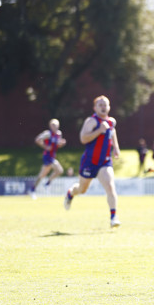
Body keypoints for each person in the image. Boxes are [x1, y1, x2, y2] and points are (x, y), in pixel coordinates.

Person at [64, 95, 121, 228]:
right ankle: (70, 193)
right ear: (95, 108)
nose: (103, 107)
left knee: (110, 187)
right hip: (89, 162)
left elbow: (113, 132)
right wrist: (99, 130)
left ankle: (114, 217)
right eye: (100, 105)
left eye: (105, 104)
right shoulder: (91, 121)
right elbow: (83, 139)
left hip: (104, 162)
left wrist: (116, 148)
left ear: (109, 107)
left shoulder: (111, 121)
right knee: (82, 189)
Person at [29, 118, 66, 199]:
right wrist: (45, 146)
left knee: (43, 174)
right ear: (50, 126)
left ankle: (37, 187)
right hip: (47, 156)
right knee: (58, 170)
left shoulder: (59, 134)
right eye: (53, 125)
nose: (55, 127)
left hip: (52, 156)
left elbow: (57, 145)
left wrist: (61, 144)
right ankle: (44, 185)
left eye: (56, 125)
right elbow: (37, 139)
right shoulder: (47, 134)